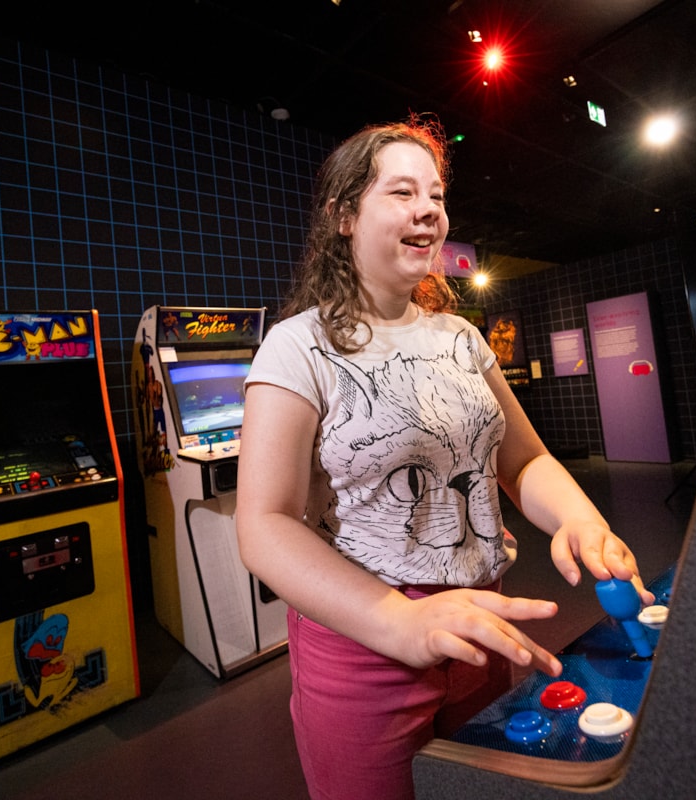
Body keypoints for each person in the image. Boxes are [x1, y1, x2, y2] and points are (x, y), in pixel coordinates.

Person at [235, 117, 653, 800]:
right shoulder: (297, 346)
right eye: (402, 192)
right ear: (343, 217)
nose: (428, 208)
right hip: (365, 646)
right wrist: (396, 620)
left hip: (478, 624)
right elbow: (266, 524)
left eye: (435, 194)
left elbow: (522, 463)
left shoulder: (460, 336)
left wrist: (581, 521)